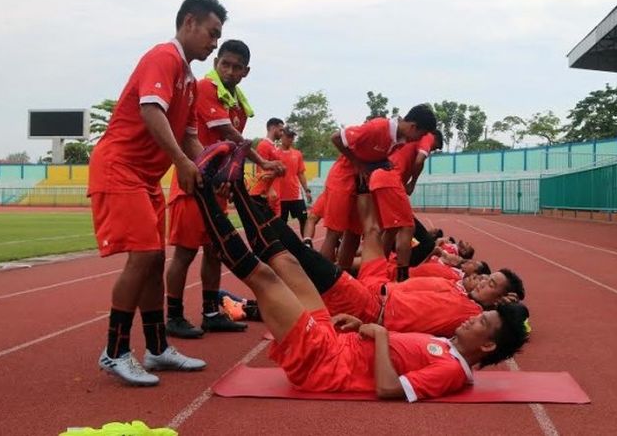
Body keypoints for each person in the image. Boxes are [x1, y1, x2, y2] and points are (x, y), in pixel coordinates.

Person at [191, 145, 530, 401]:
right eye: (482, 317)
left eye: (483, 322)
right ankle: (235, 187)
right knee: (289, 263)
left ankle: (203, 189)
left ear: (487, 346)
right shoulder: (448, 345)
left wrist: (378, 334)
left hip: (322, 363)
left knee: (265, 278)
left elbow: (388, 388)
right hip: (338, 341)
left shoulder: (453, 370)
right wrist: (362, 329)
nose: (474, 319)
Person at [87, 0, 227, 386]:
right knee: (145, 255)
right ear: (189, 23)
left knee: (153, 260)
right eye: (212, 34)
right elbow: (151, 110)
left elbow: (188, 136)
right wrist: (182, 164)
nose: (214, 43)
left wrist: (211, 165)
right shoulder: (163, 57)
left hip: (146, 178)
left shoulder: (189, 81)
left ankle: (157, 347)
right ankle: (114, 350)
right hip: (120, 168)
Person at [226, 167, 525, 338]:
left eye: (491, 285)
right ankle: (362, 185)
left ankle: (240, 193)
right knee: (364, 233)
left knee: (292, 258)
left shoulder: (473, 316)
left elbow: (519, 326)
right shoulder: (459, 289)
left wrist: (514, 313)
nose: (484, 281)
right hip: (376, 286)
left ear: (501, 300)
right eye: (489, 279)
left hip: (366, 305)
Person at [164, 39, 276, 339]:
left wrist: (231, 177)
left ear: (246, 71)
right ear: (216, 63)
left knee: (215, 252)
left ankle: (211, 313)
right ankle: (173, 316)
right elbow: (229, 134)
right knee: (184, 254)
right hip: (193, 183)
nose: (229, 70)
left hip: (216, 187)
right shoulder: (204, 89)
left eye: (237, 66)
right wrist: (263, 161)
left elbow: (232, 146)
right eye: (225, 64)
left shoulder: (237, 100)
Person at [320, 105, 437, 268]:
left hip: (361, 182)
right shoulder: (377, 127)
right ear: (413, 127)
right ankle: (324, 283)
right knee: (334, 233)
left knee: (354, 234)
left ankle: (344, 278)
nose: (418, 140)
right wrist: (358, 164)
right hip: (343, 177)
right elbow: (336, 138)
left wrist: (381, 164)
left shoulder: (399, 141)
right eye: (420, 135)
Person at [371, 129, 443, 281]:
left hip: (378, 177)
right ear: (435, 138)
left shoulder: (408, 141)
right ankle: (402, 276)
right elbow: (419, 160)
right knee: (408, 226)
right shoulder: (427, 136)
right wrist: (413, 183)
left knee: (391, 229)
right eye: (435, 148)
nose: (432, 150)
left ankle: (379, 270)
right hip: (390, 179)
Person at [277, 128, 312, 235]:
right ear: (282, 137)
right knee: (281, 223)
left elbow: (300, 173)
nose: (291, 139)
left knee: (304, 219)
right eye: (288, 136)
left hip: (295, 195)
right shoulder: (274, 153)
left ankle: (306, 243)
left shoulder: (297, 154)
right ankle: (283, 247)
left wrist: (307, 190)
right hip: (279, 196)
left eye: (292, 137)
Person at [248, 118, 286, 216]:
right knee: (272, 226)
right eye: (281, 130)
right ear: (273, 128)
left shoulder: (273, 147)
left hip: (276, 192)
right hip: (269, 193)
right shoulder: (264, 145)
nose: (282, 133)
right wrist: (270, 189)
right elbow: (261, 170)